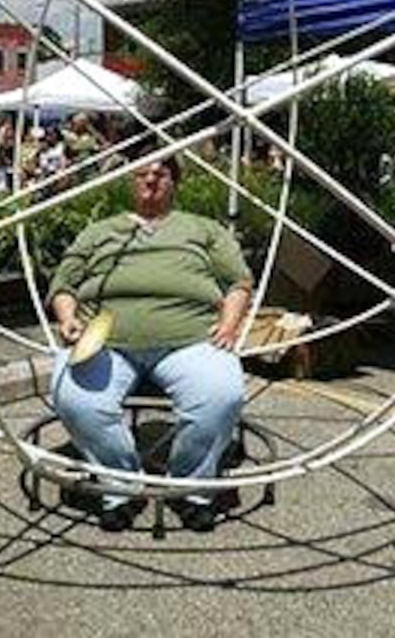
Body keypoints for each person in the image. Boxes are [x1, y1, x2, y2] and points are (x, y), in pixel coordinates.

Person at [48, 153, 252, 533]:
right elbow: (64, 284)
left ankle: (189, 488)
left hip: (189, 337)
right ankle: (121, 485)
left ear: (175, 182)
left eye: (162, 173)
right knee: (74, 397)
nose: (152, 179)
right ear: (131, 182)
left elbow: (239, 282)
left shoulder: (202, 229)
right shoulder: (100, 231)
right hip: (106, 338)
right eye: (143, 173)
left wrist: (229, 323)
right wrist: (67, 318)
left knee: (222, 394)